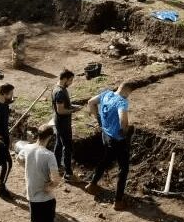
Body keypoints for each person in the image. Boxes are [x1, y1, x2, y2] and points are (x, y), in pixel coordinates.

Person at [84, 79, 142, 211]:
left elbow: (90, 102)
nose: (128, 96)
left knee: (106, 159)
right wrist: (125, 132)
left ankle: (92, 185)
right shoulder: (122, 101)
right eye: (129, 93)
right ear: (127, 91)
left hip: (106, 134)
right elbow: (123, 120)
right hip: (117, 139)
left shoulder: (106, 94)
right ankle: (118, 201)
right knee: (123, 169)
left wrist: (98, 118)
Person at [16, 124, 60, 222]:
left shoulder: (27, 148)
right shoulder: (49, 155)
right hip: (46, 197)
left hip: (31, 194)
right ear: (50, 137)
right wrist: (50, 187)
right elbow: (56, 179)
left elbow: (18, 159)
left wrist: (29, 168)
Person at [52, 70, 81, 181]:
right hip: (62, 123)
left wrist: (73, 106)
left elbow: (64, 106)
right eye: (70, 80)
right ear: (64, 79)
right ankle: (68, 173)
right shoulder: (59, 92)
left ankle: (56, 166)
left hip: (60, 122)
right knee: (67, 147)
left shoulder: (59, 89)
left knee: (59, 144)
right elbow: (60, 110)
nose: (71, 82)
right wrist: (73, 110)